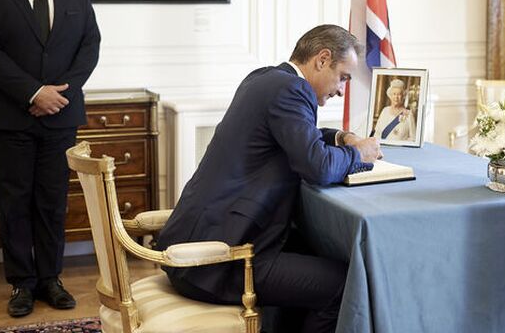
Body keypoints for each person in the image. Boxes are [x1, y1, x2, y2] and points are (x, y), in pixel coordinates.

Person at [157, 24, 381, 333]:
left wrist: (342, 137)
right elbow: (317, 167)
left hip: (201, 243)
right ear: (322, 59)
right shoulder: (292, 90)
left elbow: (300, 137)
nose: (342, 90)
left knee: (314, 251)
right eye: (343, 77)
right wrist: (359, 154)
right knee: (344, 285)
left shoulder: (265, 78)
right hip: (216, 262)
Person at [0, 0, 101, 318]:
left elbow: (89, 50)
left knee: (52, 201)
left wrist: (58, 95)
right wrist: (33, 92)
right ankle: (21, 284)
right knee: (14, 202)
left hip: (61, 116)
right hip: (11, 117)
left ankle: (50, 279)